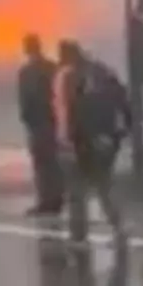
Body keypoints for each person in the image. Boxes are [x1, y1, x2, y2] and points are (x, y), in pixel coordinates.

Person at [53, 40, 133, 244]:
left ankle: (78, 236)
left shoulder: (68, 76)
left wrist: (69, 141)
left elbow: (71, 111)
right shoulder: (102, 71)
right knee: (104, 185)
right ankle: (119, 227)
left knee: (76, 191)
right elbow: (122, 97)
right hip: (106, 138)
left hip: (81, 140)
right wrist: (123, 128)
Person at [18, 34, 63, 217]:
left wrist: (27, 119)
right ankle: (57, 199)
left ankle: (45, 201)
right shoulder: (53, 67)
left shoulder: (26, 72)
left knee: (41, 164)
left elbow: (24, 100)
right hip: (54, 121)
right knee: (53, 162)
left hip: (38, 123)